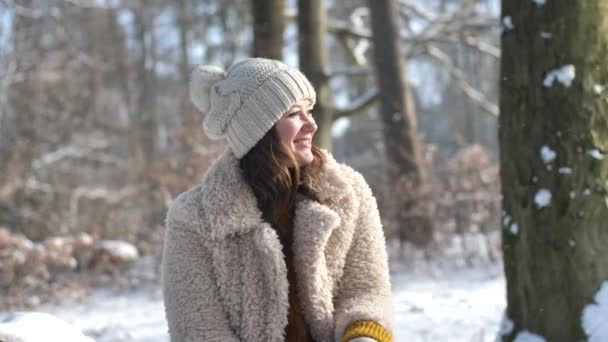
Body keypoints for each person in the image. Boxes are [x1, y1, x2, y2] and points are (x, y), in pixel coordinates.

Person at [161, 58, 393, 342]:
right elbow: (198, 329)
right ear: (258, 130)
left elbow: (366, 289)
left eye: (310, 110)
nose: (311, 125)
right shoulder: (193, 217)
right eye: (294, 114)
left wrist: (363, 337)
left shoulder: (349, 192)